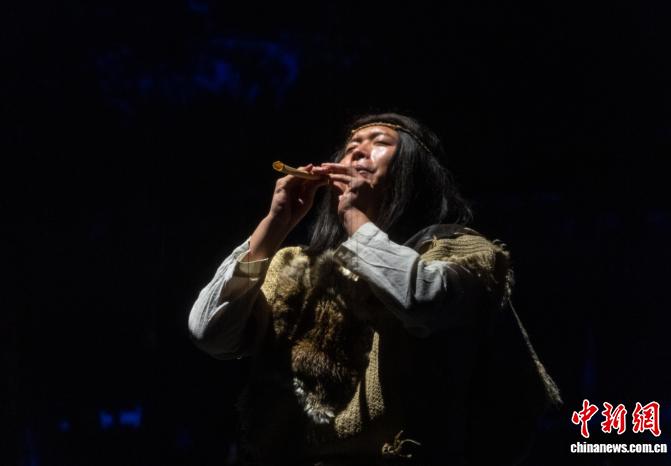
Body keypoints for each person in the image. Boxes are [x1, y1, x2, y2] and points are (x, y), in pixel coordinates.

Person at [188, 113, 561, 465]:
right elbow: (210, 332)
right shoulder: (297, 267)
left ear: (412, 170)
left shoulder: (458, 250)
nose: (357, 152)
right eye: (351, 146)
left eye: (379, 142)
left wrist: (355, 218)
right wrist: (274, 225)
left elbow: (421, 300)